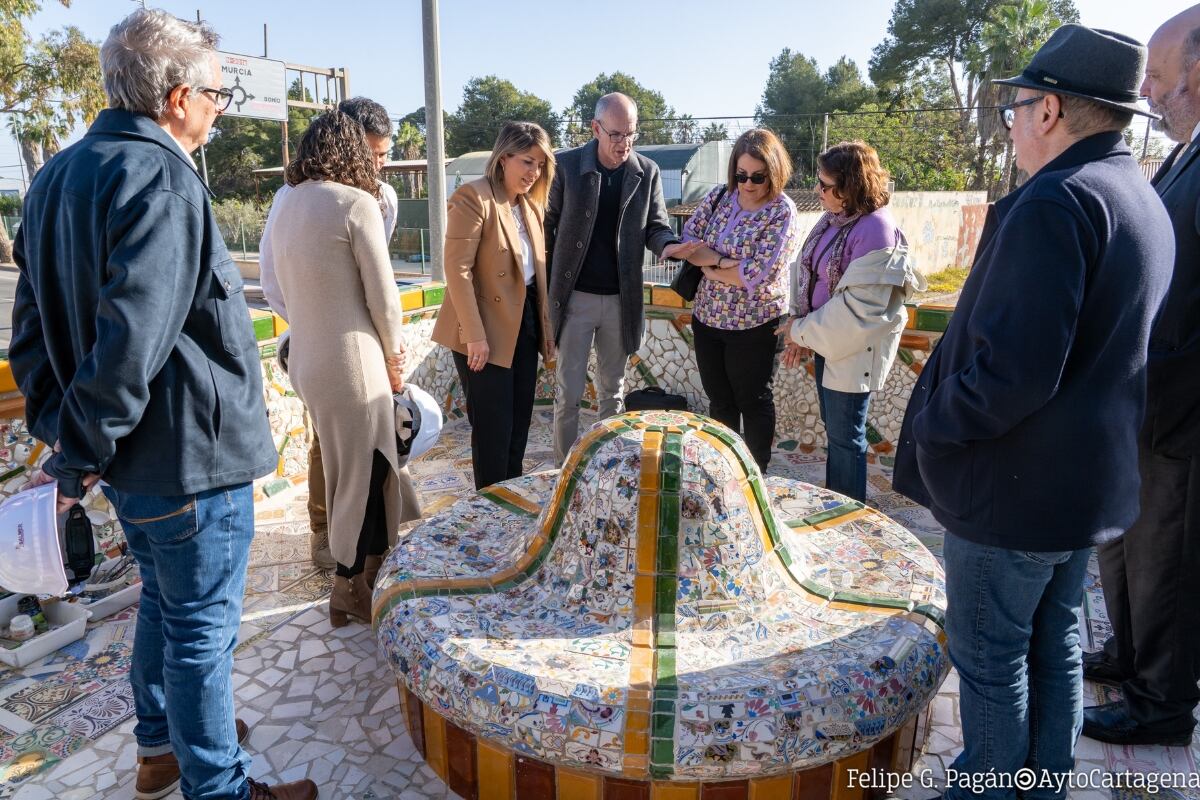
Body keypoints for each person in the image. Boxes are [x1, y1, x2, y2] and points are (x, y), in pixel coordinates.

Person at [6, 9, 317, 800]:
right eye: (218, 93)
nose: (221, 107)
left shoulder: (53, 178)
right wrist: (75, 453)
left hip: (135, 467)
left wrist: (68, 440)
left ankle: (161, 745)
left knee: (166, 611)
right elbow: (130, 342)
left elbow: (32, 336)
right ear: (177, 97)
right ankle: (217, 784)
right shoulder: (163, 177)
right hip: (188, 463)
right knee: (200, 636)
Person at [892, 25, 1173, 800]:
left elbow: (1012, 375)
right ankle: (1041, 785)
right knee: (1052, 644)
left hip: (1012, 494)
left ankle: (986, 787)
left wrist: (932, 424)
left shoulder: (1057, 202)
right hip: (1078, 493)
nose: (1009, 122)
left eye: (1015, 108)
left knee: (990, 657)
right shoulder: (1137, 194)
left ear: (1048, 109)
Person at [1084, 4, 1200, 748]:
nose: (1149, 96)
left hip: (1181, 411)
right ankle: (1128, 659)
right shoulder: (1184, 153)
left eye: (1158, 79)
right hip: (1142, 402)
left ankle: (1161, 703)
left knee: (1168, 561)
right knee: (1125, 545)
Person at [260, 96, 422, 571]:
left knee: (353, 456)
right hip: (351, 352)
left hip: (315, 351)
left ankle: (352, 566)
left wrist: (316, 323)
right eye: (371, 153)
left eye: (384, 155)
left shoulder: (297, 195)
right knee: (357, 464)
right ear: (347, 141)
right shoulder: (354, 202)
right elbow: (381, 293)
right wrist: (375, 347)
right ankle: (345, 566)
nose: (378, 163)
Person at [546, 92, 691, 464]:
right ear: (595, 129)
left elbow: (657, 227)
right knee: (569, 394)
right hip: (575, 298)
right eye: (615, 135)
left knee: (613, 392)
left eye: (631, 134)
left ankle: (604, 468)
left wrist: (670, 247)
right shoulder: (565, 167)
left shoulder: (647, 172)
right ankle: (566, 472)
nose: (624, 143)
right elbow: (546, 230)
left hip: (620, 301)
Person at [779, 141, 922, 502]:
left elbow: (859, 311)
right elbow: (809, 272)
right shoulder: (836, 217)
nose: (818, 191)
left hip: (851, 346)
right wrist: (802, 325)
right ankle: (838, 502)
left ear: (850, 187)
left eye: (825, 186)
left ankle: (847, 514)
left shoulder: (875, 229)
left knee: (847, 438)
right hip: (828, 340)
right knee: (838, 433)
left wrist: (799, 330)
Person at [432, 122, 557, 489]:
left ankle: (511, 501)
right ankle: (487, 510)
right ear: (503, 158)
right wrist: (475, 335)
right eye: (527, 162)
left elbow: (538, 279)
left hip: (524, 324)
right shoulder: (473, 198)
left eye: (539, 164)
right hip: (483, 330)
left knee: (519, 423)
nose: (534, 172)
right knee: (492, 430)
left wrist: (546, 333)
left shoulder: (531, 208)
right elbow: (456, 269)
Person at [679, 128, 800, 472]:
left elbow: (759, 273)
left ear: (774, 172)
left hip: (755, 326)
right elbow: (689, 242)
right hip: (708, 320)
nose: (747, 184)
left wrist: (710, 265)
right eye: (741, 174)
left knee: (753, 400)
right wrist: (721, 264)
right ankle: (724, 471)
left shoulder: (781, 211)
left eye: (757, 177)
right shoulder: (720, 197)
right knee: (720, 401)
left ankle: (755, 474)